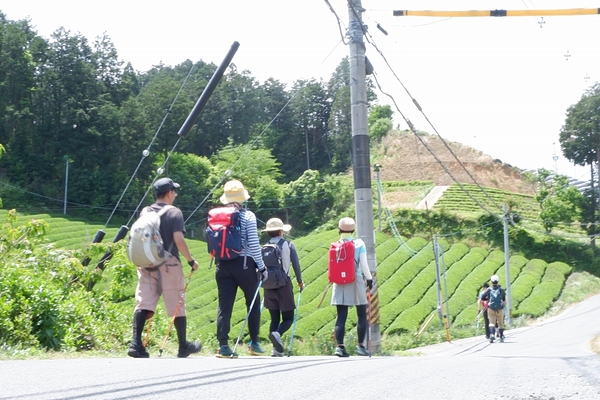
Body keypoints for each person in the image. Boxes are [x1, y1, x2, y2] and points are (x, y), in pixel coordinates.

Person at [128, 177, 201, 358]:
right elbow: (178, 239)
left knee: (143, 301)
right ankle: (183, 346)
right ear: (169, 193)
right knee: (177, 302)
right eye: (174, 191)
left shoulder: (145, 211)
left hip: (147, 264)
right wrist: (191, 260)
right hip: (169, 264)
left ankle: (136, 343)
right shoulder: (174, 213)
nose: (174, 195)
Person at [215, 179, 268, 358]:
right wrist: (262, 267)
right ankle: (254, 343)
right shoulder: (248, 216)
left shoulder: (217, 216)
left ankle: (223, 346)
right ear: (242, 198)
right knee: (252, 301)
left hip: (222, 265)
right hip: (244, 264)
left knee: (224, 305)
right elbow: (254, 244)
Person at [262, 218, 305, 357]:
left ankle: (276, 350)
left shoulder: (265, 246)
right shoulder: (288, 244)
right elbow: (296, 266)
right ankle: (277, 334)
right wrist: (300, 282)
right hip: (284, 285)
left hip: (268, 286)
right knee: (288, 318)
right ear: (281, 231)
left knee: (274, 319)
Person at [331, 217, 373, 357]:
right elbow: (364, 264)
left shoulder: (336, 245)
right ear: (353, 230)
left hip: (339, 281)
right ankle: (361, 346)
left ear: (339, 230)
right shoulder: (359, 243)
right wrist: (369, 278)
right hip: (356, 280)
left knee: (341, 315)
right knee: (361, 313)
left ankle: (340, 347)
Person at [481, 274, 506, 343]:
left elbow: (482, 297)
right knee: (500, 323)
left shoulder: (489, 289)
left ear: (491, 282)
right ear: (498, 281)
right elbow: (503, 299)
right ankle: (501, 336)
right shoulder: (501, 290)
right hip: (500, 309)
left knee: (491, 323)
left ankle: (492, 334)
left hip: (491, 308)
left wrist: (488, 299)